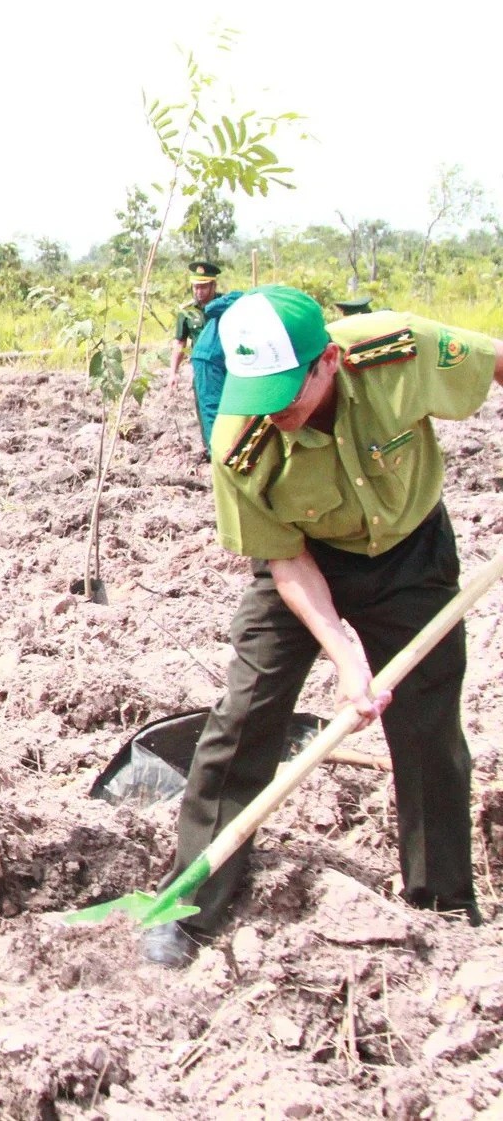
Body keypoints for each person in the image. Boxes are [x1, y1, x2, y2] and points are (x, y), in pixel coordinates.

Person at [142, 286, 502, 967]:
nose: (273, 409)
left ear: (328, 360)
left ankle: (443, 903)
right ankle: (188, 905)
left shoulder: (398, 350)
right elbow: (283, 559)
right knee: (245, 712)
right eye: (259, 392)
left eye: (287, 390)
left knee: (429, 728)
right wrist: (341, 651)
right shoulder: (240, 438)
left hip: (410, 547)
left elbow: (494, 363)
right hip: (304, 559)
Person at [172, 260, 241, 450]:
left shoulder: (225, 304)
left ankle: (233, 445)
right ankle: (213, 450)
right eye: (195, 287)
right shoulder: (187, 312)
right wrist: (173, 372)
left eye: (203, 287)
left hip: (228, 364)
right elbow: (180, 343)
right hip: (203, 368)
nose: (199, 292)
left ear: (213, 285)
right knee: (206, 409)